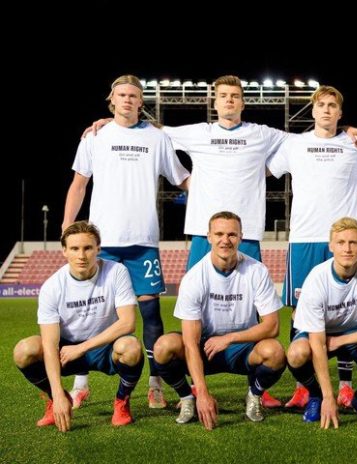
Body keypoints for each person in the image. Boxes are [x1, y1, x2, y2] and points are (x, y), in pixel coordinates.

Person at [82, 75, 357, 408]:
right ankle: (195, 386)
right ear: (214, 102)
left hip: (246, 233)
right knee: (197, 308)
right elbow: (151, 128)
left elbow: (313, 137)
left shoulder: (262, 134)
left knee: (252, 313)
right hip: (206, 234)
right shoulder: (197, 133)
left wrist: (350, 131)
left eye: (235, 96)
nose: (229, 100)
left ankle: (258, 388)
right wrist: (111, 123)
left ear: (243, 102)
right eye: (223, 96)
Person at [63, 74, 190, 410]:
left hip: (142, 239)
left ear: (140, 101)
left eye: (134, 95)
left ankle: (155, 384)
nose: (128, 100)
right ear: (112, 99)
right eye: (122, 95)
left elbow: (183, 178)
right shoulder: (95, 136)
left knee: (150, 312)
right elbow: (79, 185)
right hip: (100, 241)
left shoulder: (156, 138)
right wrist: (67, 226)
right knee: (93, 312)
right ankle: (81, 383)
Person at [267, 85, 357, 409]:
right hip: (303, 237)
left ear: (340, 114)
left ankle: (345, 385)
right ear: (313, 111)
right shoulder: (295, 144)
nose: (327, 110)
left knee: (346, 313)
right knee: (299, 312)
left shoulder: (354, 143)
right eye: (322, 105)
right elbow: (267, 170)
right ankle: (304, 386)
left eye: (333, 106)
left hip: (343, 239)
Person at [152, 211, 286, 429]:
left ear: (241, 237)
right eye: (220, 234)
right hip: (205, 348)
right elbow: (190, 342)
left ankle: (254, 395)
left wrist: (230, 338)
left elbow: (272, 326)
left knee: (275, 352)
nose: (226, 240)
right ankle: (188, 398)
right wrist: (202, 393)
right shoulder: (195, 277)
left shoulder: (257, 271)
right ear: (209, 237)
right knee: (163, 347)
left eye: (232, 234)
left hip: (243, 348)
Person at [13, 221, 144, 431]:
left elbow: (128, 323)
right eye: (74, 248)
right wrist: (57, 394)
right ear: (64, 251)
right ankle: (52, 400)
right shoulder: (52, 287)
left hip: (103, 349)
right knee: (24, 351)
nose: (81, 255)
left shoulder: (116, 272)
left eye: (88, 248)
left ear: (98, 249)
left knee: (131, 347)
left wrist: (82, 348)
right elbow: (49, 344)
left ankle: (122, 401)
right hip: (65, 351)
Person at [287, 217, 357, 428]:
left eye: (353, 243)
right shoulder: (317, 278)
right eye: (341, 243)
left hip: (353, 331)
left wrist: (341, 340)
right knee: (296, 353)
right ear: (331, 246)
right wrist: (329, 396)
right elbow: (317, 341)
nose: (347, 249)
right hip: (320, 333)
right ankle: (316, 396)